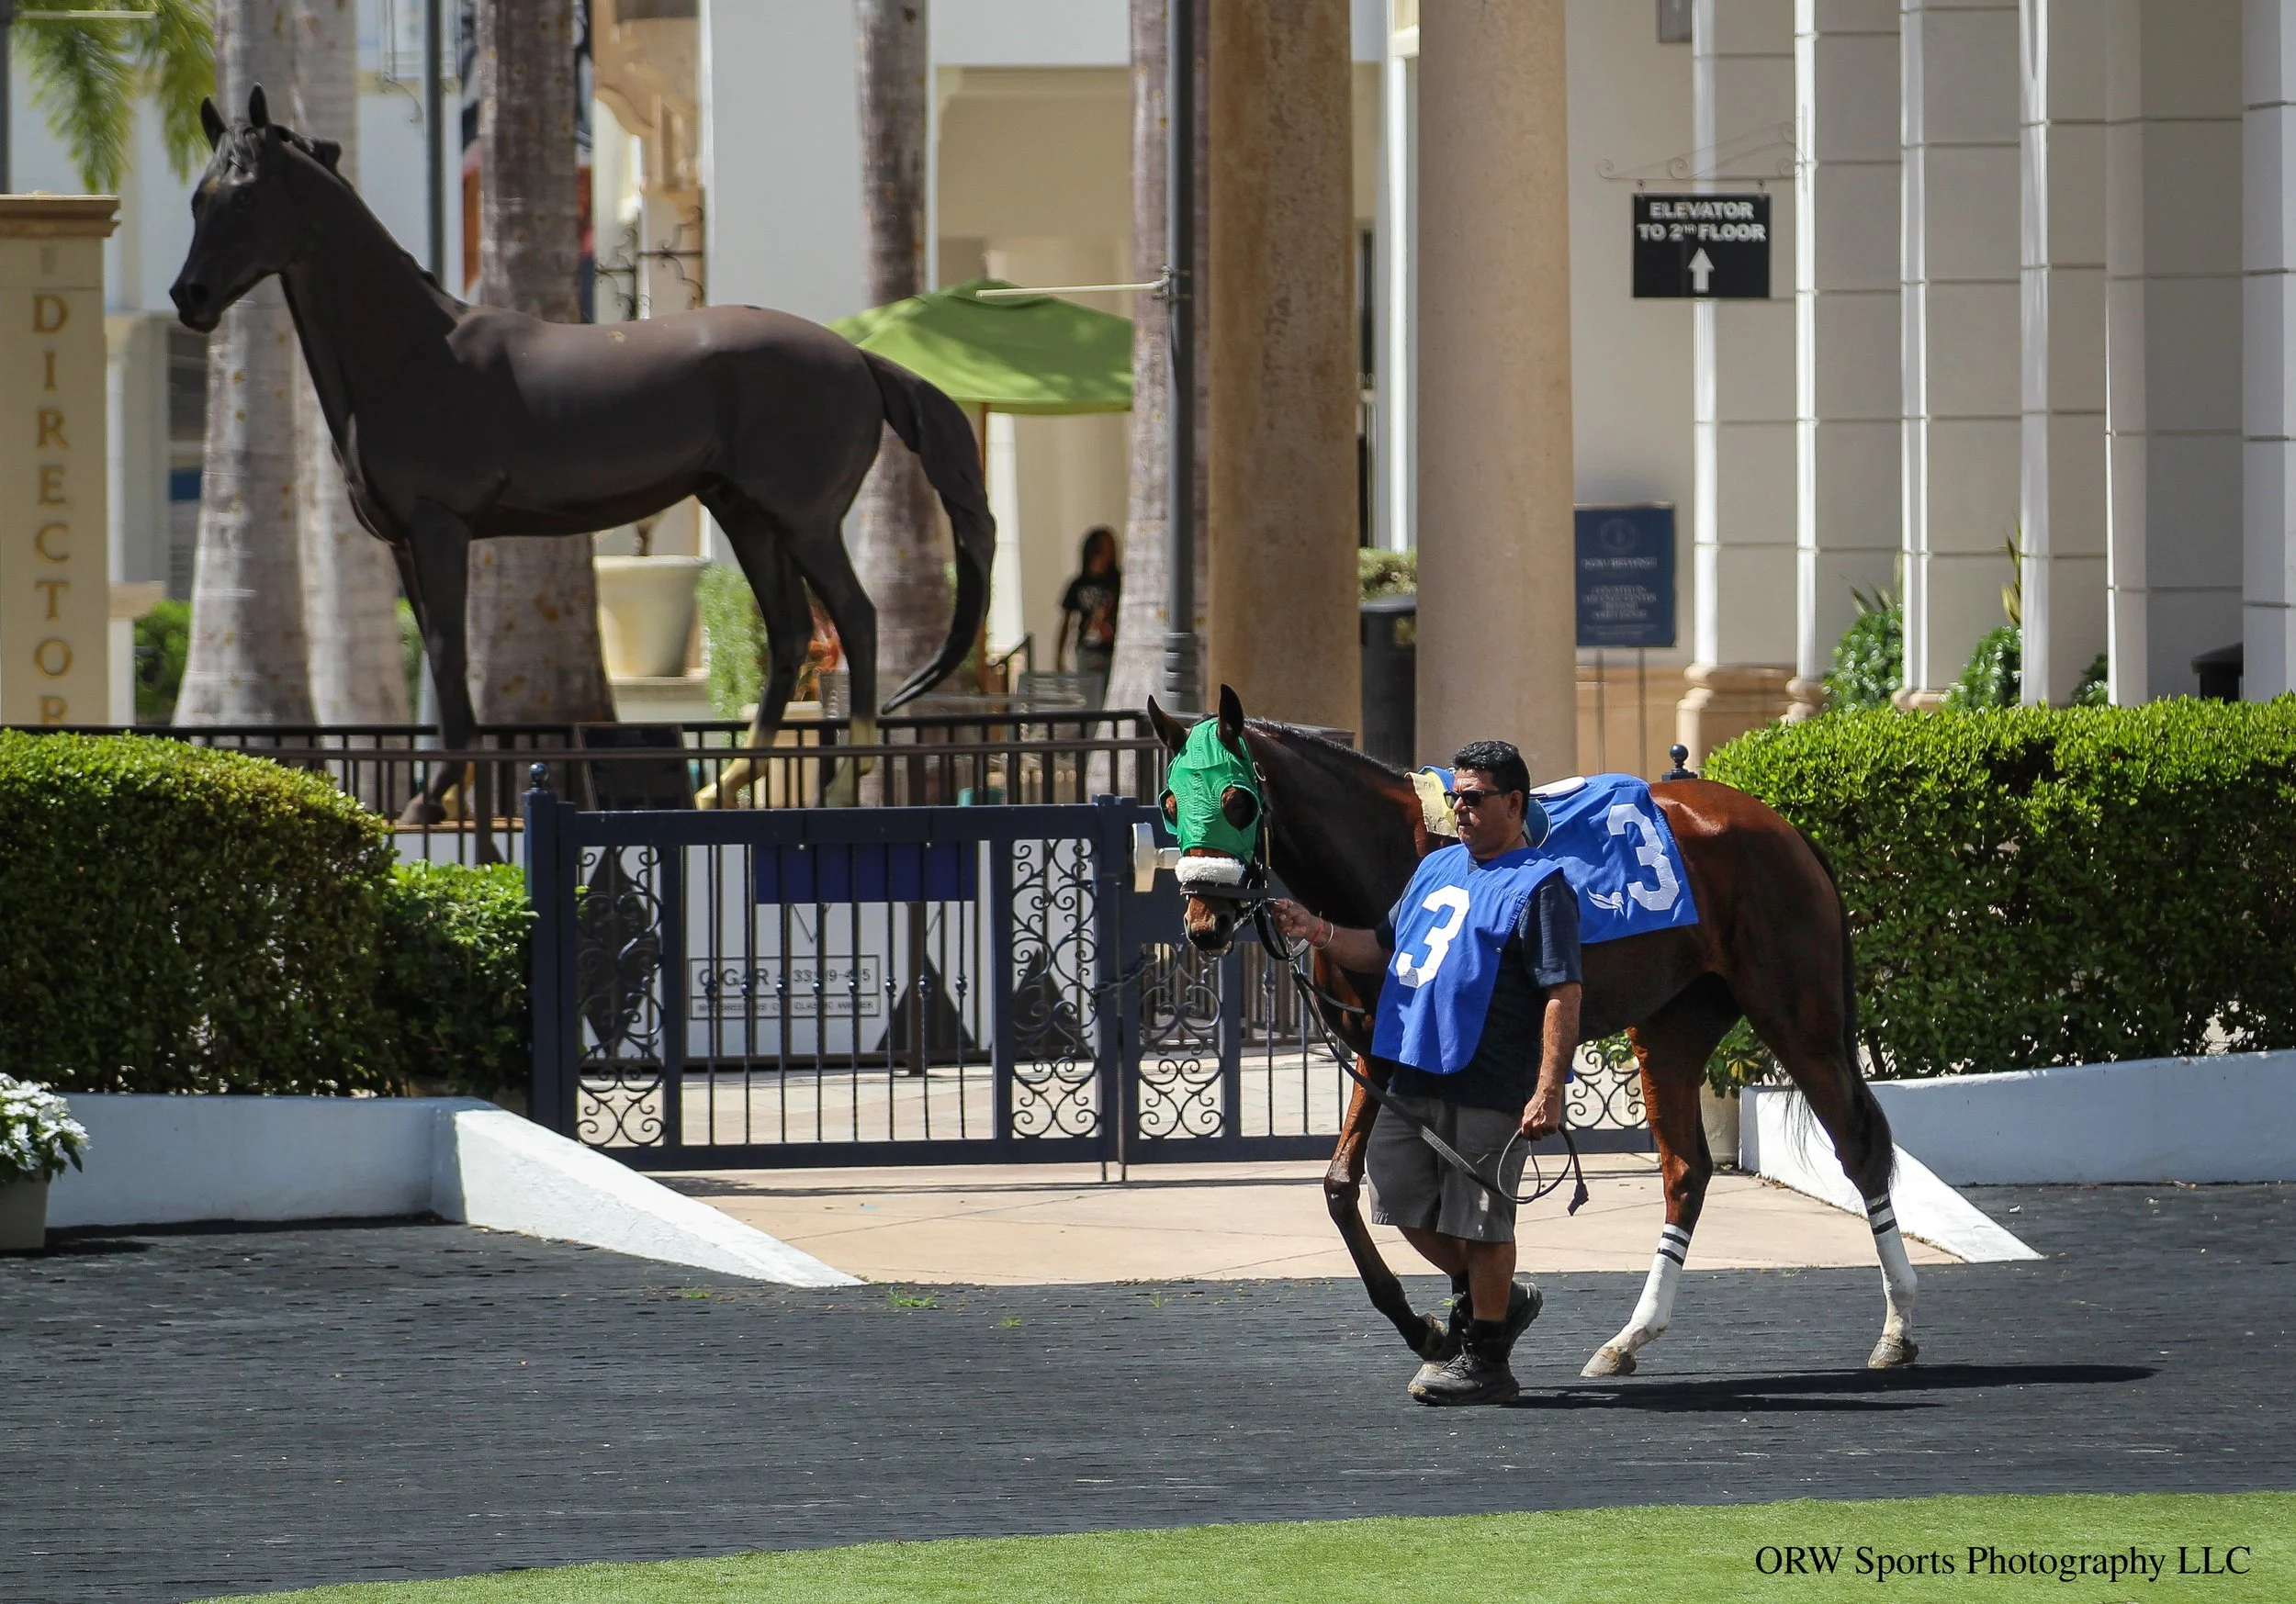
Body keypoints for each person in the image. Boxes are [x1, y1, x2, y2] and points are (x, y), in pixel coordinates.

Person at [1270, 739, 1581, 1407]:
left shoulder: (1540, 884)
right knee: (1398, 1193)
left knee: (1482, 1219)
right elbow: (1379, 949)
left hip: (1490, 1074)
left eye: (1475, 798)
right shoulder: (1435, 870)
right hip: (1412, 1067)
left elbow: (1562, 991)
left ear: (1514, 803)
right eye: (1457, 797)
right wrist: (1315, 930)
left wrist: (1549, 1085)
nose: (1460, 809)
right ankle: (1498, 1297)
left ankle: (1486, 1359)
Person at [1055, 526, 1120, 705]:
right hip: (1087, 652)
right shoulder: (1078, 584)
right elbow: (1066, 622)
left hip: (1114, 651)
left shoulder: (1119, 581)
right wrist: (1059, 656)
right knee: (1090, 704)